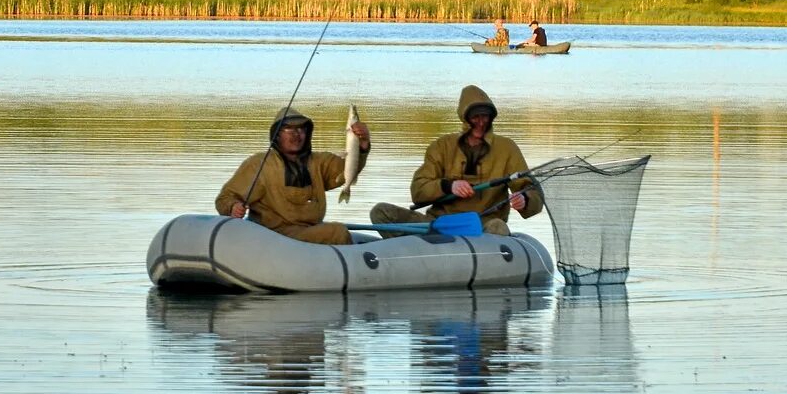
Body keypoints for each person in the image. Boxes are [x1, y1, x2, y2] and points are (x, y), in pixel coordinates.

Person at [369, 85, 542, 237]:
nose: (481, 123)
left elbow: (531, 190)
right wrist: (448, 186)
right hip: (438, 224)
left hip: (483, 226)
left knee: (498, 228)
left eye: (485, 117)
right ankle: (412, 256)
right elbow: (418, 190)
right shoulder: (442, 146)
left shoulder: (507, 148)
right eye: (475, 118)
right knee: (381, 212)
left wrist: (525, 199)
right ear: (464, 119)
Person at [216, 106, 370, 245]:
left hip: (309, 232)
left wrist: (362, 146)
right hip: (271, 236)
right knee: (338, 232)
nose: (297, 134)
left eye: (301, 129)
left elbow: (347, 170)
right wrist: (233, 207)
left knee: (335, 231)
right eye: (289, 129)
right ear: (277, 134)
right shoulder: (259, 164)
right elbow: (225, 197)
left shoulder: (318, 161)